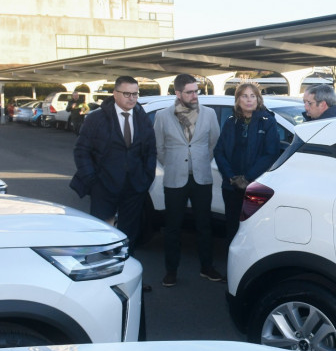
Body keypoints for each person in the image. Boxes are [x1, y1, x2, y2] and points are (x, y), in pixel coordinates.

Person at [70, 76, 156, 290]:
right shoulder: (96, 119)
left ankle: (128, 278)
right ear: (115, 94)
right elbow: (81, 152)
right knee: (103, 235)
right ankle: (101, 281)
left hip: (134, 187)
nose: (132, 98)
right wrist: (92, 181)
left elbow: (150, 151)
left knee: (129, 235)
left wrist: (146, 178)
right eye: (127, 94)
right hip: (104, 187)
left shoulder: (142, 118)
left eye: (135, 94)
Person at [154, 74, 223, 287]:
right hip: (175, 178)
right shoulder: (163, 116)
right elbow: (159, 148)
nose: (195, 95)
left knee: (204, 225)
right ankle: (171, 271)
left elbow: (213, 143)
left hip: (202, 178)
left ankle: (207, 267)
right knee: (173, 227)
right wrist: (175, 164)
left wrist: (200, 161)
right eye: (190, 92)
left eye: (197, 91)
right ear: (178, 93)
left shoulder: (209, 114)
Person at [214, 82, 279, 243]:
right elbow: (219, 151)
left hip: (255, 186)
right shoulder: (230, 122)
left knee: (253, 230)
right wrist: (230, 177)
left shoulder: (267, 121)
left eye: (253, 96)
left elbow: (271, 154)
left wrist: (247, 178)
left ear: (258, 99)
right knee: (232, 228)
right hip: (231, 186)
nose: (249, 100)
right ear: (238, 100)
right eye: (244, 96)